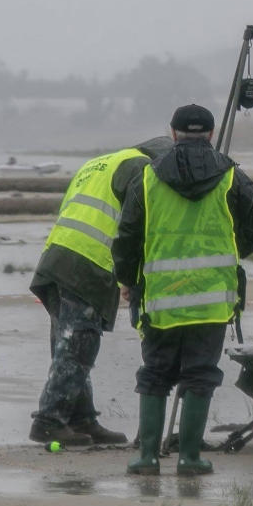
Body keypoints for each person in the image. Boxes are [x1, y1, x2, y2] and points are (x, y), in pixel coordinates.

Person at [113, 104, 253, 475]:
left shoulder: (146, 178)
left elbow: (128, 236)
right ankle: (190, 458)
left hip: (160, 301)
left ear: (173, 132)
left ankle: (147, 457)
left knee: (155, 373)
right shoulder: (233, 177)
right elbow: (250, 237)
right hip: (212, 302)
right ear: (210, 134)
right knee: (200, 374)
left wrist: (129, 280)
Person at [28, 136, 172, 447]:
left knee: (67, 342)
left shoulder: (99, 163)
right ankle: (50, 421)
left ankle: (81, 419)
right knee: (79, 345)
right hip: (88, 262)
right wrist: (133, 277)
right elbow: (139, 225)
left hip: (56, 257)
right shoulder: (143, 168)